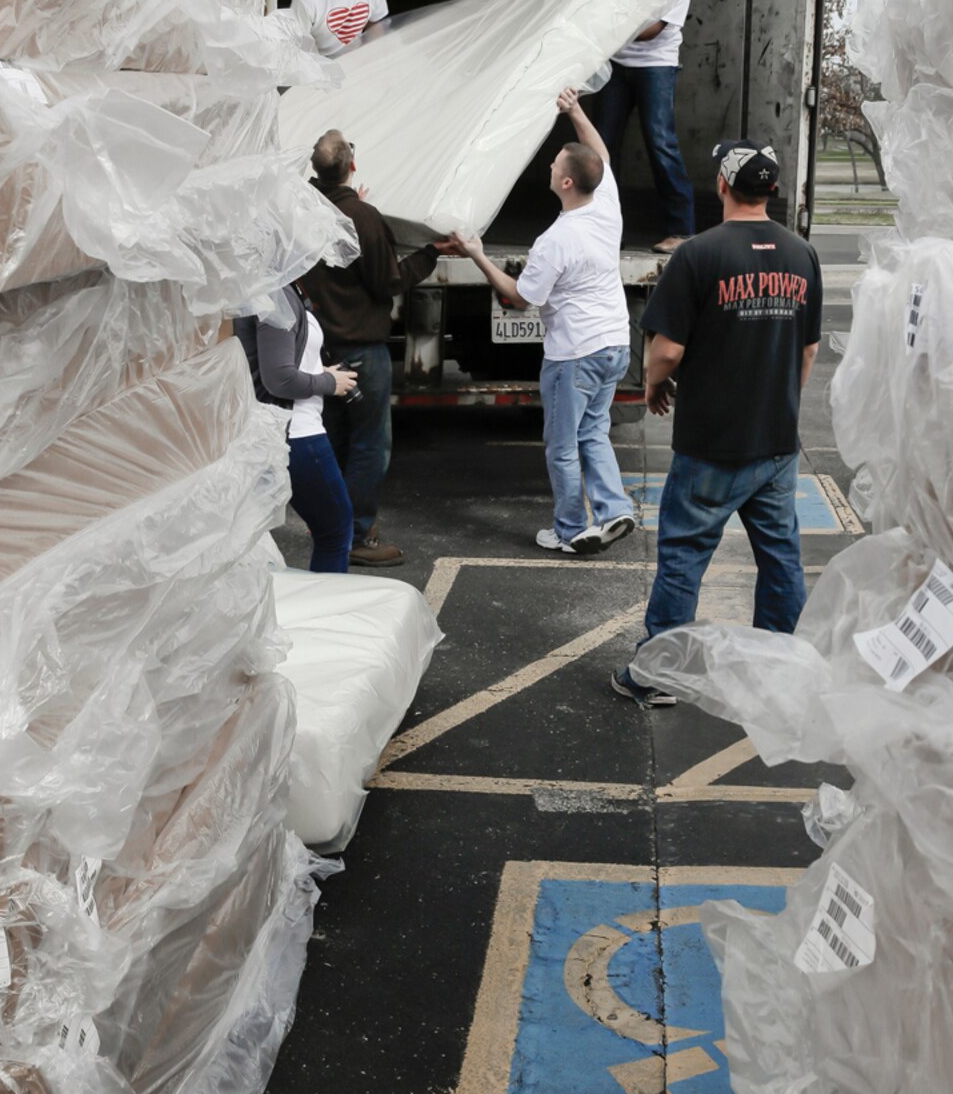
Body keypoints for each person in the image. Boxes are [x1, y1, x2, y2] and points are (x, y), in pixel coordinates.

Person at [612, 141, 822, 708]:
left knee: (683, 557)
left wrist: (653, 384)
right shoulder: (802, 255)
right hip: (775, 441)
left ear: (722, 186)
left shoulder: (698, 255)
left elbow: (667, 350)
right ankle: (782, 670)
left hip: (711, 442)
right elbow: (807, 351)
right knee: (780, 559)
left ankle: (659, 674)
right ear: (772, 191)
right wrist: (777, 401)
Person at [451, 88, 637, 556]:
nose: (550, 167)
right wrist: (575, 111)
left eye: (556, 165)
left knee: (561, 445)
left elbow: (518, 299)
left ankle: (571, 529)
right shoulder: (606, 205)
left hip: (573, 354)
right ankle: (614, 509)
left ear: (569, 183)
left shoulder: (555, 241)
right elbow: (602, 154)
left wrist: (477, 255)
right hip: (615, 342)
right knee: (593, 431)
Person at [300, 130, 442, 567]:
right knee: (368, 446)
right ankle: (358, 534)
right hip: (363, 352)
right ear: (352, 166)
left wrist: (355, 208)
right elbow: (389, 281)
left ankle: (334, 530)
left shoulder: (303, 212)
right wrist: (432, 253)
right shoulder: (362, 217)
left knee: (336, 441)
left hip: (323, 350)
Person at [550, 0, 696, 253]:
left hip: (655, 64)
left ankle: (682, 230)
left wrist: (608, 24)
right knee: (600, 143)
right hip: (617, 63)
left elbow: (654, 30)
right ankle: (599, 225)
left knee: (660, 142)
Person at [236, 290, 358, 574]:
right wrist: (329, 382)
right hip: (297, 434)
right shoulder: (274, 296)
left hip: (269, 429)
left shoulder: (267, 290)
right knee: (335, 532)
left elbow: (267, 361)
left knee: (252, 537)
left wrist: (317, 369)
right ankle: (325, 615)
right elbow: (279, 379)